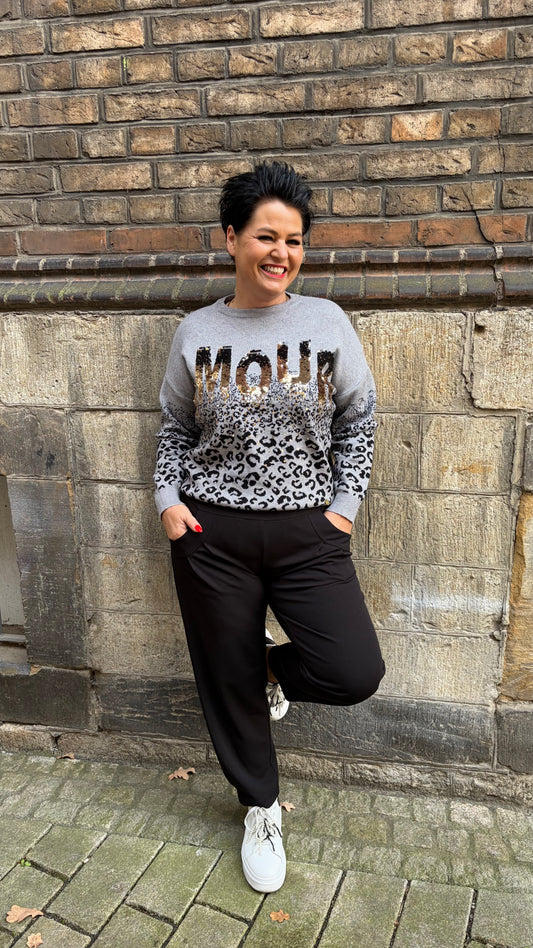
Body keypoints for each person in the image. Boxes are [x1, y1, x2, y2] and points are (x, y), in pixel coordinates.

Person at [153, 161, 385, 893]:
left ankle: (270, 670)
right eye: (265, 236)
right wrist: (168, 501)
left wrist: (344, 507)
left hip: (308, 531)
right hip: (210, 532)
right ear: (231, 239)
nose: (281, 252)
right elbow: (174, 427)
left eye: (294, 240)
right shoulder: (197, 331)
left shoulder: (325, 323)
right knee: (226, 678)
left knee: (353, 671)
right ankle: (259, 807)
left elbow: (358, 421)